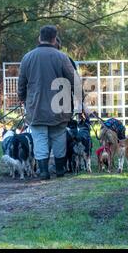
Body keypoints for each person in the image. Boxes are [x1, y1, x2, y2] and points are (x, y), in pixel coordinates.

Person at [18, 25, 78, 180]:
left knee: (39, 138)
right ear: (54, 38)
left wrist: (22, 98)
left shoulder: (28, 57)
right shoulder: (62, 57)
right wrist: (80, 100)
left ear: (40, 38)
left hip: (36, 107)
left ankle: (43, 171)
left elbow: (21, 83)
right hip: (60, 107)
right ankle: (59, 170)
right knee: (58, 137)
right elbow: (75, 81)